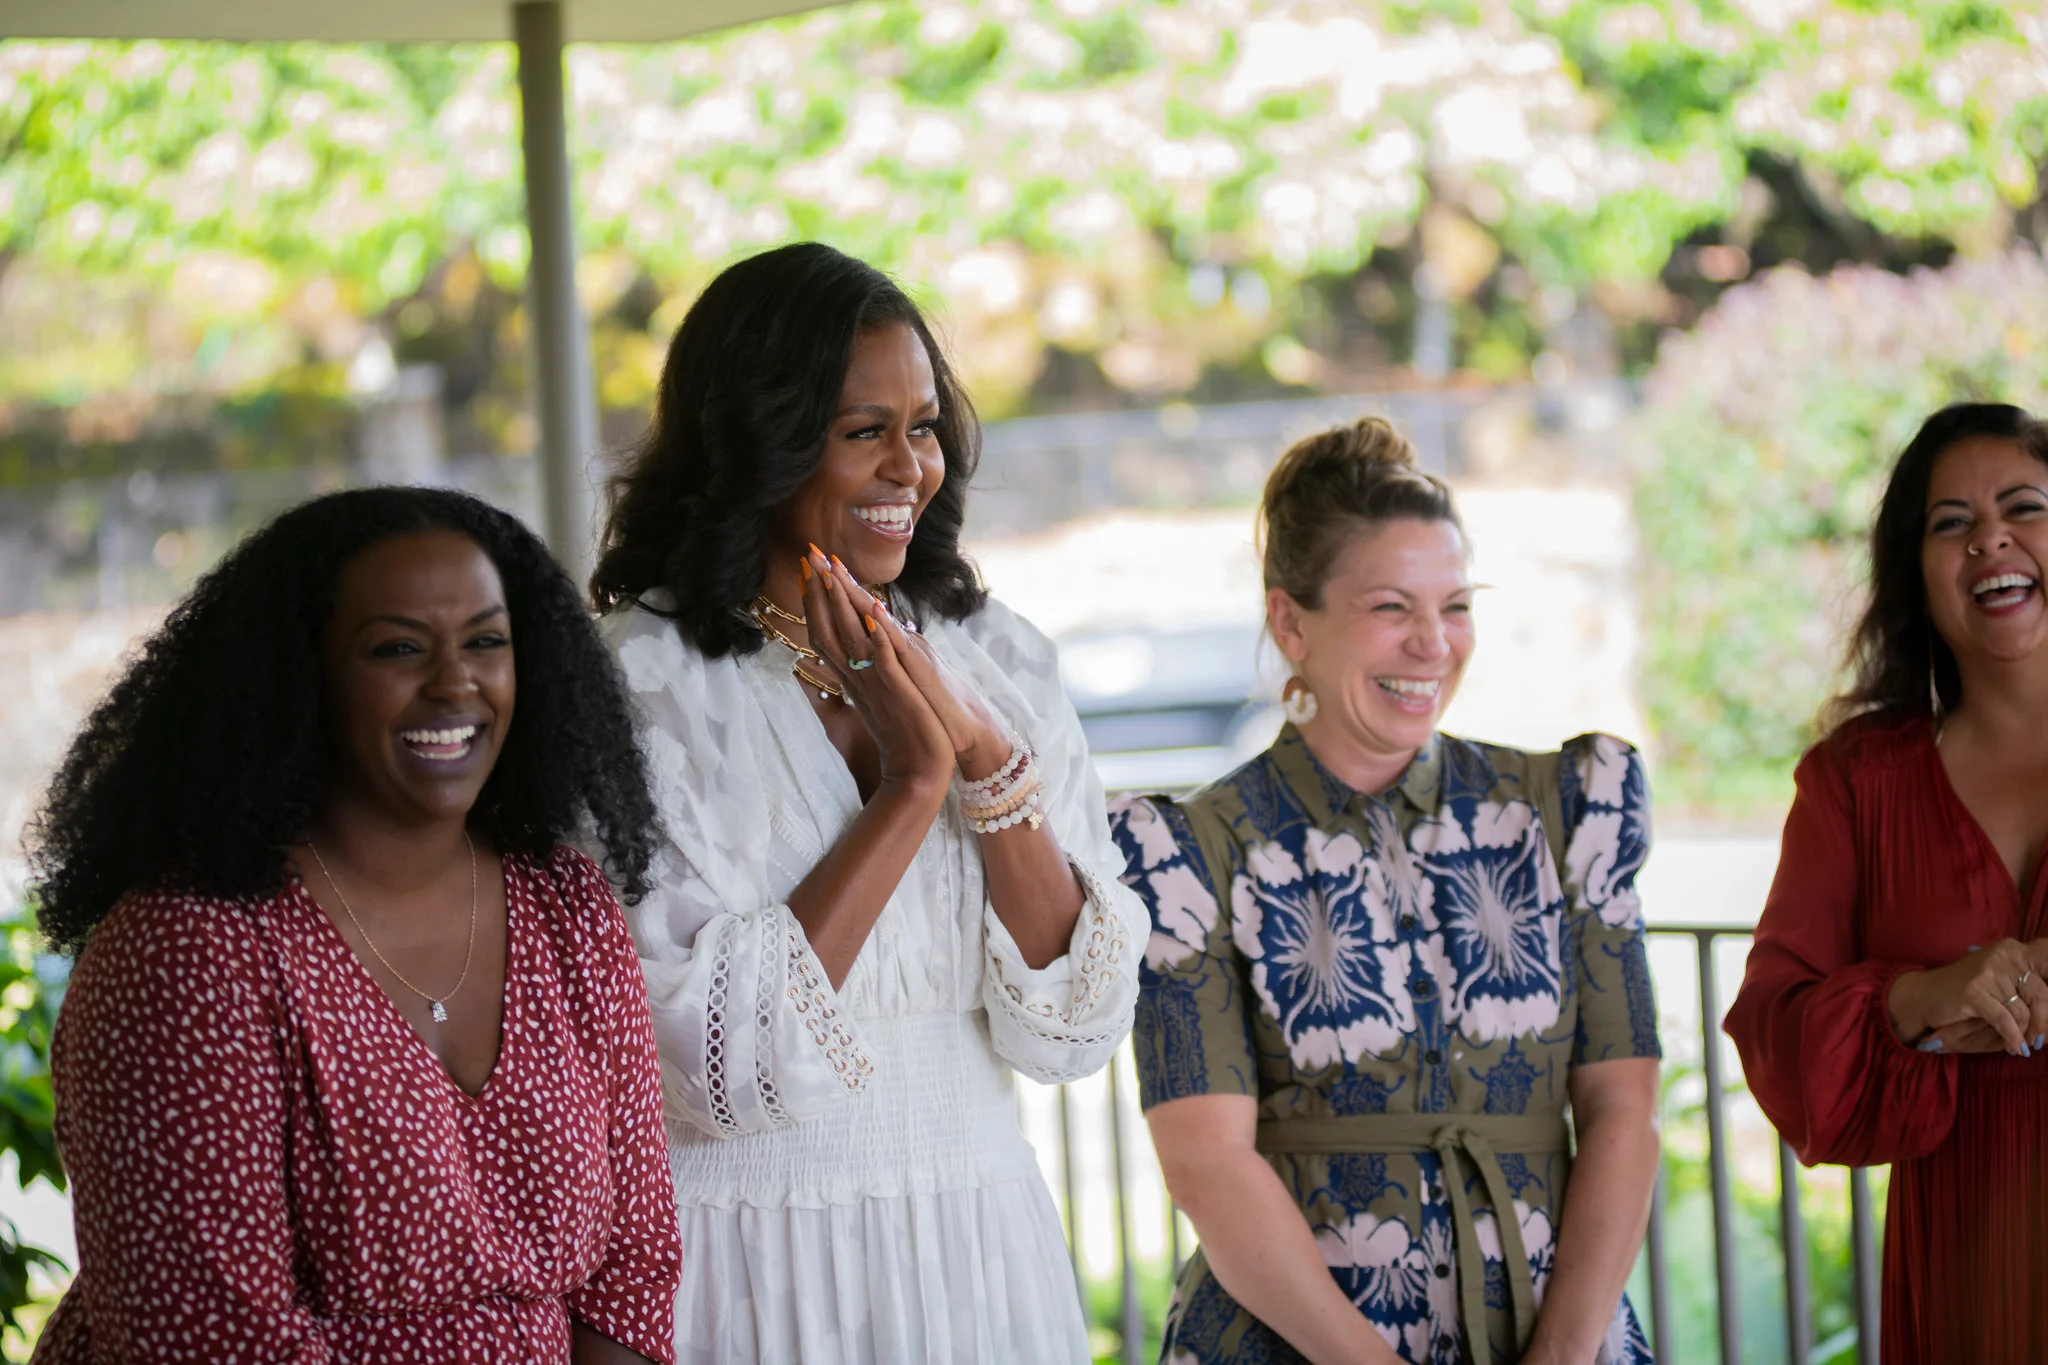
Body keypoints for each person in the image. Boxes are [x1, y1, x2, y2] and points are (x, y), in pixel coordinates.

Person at [590, 241, 1145, 1365]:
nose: (912, 468)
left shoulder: (1000, 662)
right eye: (864, 432)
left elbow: (1076, 1028)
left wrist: (987, 768)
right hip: (745, 1268)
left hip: (977, 1253)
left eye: (925, 427)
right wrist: (910, 787)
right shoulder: (636, 691)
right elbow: (707, 1071)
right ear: (759, 444)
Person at [26, 487, 682, 1363]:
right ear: (299, 677)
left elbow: (631, 1271)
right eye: (398, 648)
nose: (456, 683)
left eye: (487, 641)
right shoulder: (189, 947)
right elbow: (209, 1334)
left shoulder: (565, 906)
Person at [1108, 417, 1661, 1365]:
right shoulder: (1189, 853)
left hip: (1558, 1334)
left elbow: (1623, 1111)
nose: (1433, 644)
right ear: (1291, 622)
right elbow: (1204, 1161)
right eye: (1391, 608)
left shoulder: (1569, 809)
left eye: (1456, 605)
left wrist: (1564, 1353)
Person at [1725, 402, 2048, 1361]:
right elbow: (1772, 1032)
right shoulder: (1855, 784)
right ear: (1917, 575)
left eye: (2023, 506)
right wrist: (1920, 995)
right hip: (1963, 1274)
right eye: (1950, 522)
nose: (1990, 536)